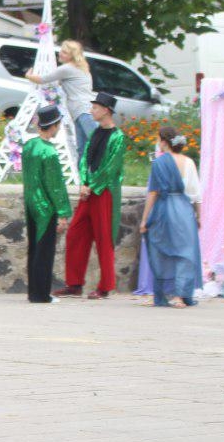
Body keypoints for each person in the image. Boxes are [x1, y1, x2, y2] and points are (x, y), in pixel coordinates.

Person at [55, 91, 126, 299]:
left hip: (105, 193)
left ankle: (105, 286)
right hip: (89, 192)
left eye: (95, 107)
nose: (91, 111)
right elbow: (85, 158)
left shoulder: (118, 137)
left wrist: (92, 186)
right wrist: (84, 182)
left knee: (104, 237)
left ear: (106, 110)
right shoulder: (95, 133)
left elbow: (110, 168)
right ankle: (74, 283)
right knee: (75, 233)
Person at [140, 126, 202, 307]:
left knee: (161, 250)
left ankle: (162, 293)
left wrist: (144, 219)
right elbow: (196, 193)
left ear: (164, 142)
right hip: (183, 208)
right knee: (185, 252)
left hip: (163, 209)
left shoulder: (159, 163)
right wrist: (198, 216)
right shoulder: (189, 162)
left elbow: (153, 192)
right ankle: (180, 296)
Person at [23, 105, 72, 303]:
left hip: (31, 204)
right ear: (53, 126)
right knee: (45, 251)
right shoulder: (49, 152)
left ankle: (33, 292)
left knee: (34, 249)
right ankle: (41, 294)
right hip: (46, 208)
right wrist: (63, 212)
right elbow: (55, 185)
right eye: (58, 124)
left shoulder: (29, 146)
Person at [26, 40, 94, 153]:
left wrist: (28, 76)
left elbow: (43, 79)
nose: (60, 54)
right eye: (61, 51)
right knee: (84, 147)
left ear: (72, 56)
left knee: (94, 143)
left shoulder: (66, 68)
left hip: (82, 109)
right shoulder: (80, 67)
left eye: (64, 52)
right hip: (84, 109)